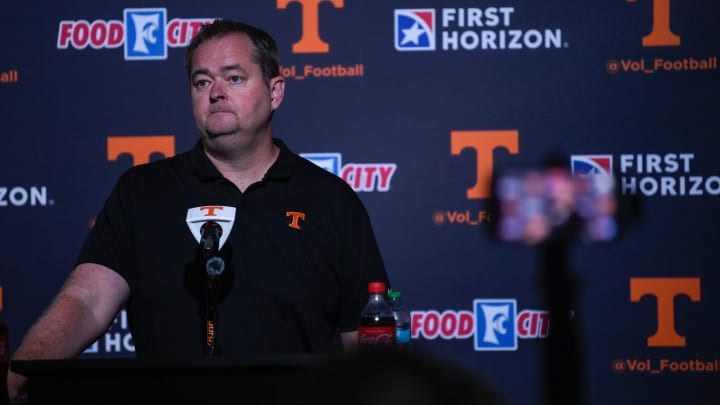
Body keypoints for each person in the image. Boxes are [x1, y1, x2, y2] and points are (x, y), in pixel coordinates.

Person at [6, 19, 389, 401]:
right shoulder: (143, 192)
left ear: (275, 92)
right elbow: (86, 301)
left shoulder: (330, 199)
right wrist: (18, 373)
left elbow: (363, 336)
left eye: (234, 78)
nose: (216, 93)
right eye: (202, 82)